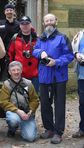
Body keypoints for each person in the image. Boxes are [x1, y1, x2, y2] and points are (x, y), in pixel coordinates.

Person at [32, 13, 74, 144]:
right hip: (44, 76)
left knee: (59, 105)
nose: (49, 22)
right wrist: (40, 53)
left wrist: (56, 61)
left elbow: (69, 56)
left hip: (59, 76)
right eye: (46, 21)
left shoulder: (63, 37)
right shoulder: (41, 38)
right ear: (44, 23)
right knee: (45, 104)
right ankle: (49, 129)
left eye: (51, 20)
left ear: (55, 21)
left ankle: (58, 132)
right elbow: (34, 50)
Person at [0, 61, 39, 142]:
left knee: (30, 138)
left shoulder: (28, 83)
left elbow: (35, 99)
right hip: (13, 112)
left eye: (18, 70)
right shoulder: (6, 85)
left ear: (21, 70)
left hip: (27, 113)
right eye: (13, 70)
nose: (16, 72)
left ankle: (24, 126)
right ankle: (12, 128)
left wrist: (31, 111)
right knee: (14, 120)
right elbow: (3, 102)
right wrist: (18, 111)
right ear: (9, 72)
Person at [8, 16, 39, 93]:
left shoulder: (37, 39)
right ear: (20, 25)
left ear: (31, 25)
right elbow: (10, 54)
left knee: (33, 97)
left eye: (27, 24)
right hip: (19, 73)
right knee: (20, 97)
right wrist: (11, 70)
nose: (25, 26)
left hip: (34, 73)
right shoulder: (15, 38)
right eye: (22, 24)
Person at [0, 3, 20, 80]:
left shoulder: (18, 25)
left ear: (14, 11)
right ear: (4, 12)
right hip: (0, 53)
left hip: (14, 54)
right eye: (7, 10)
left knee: (13, 72)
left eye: (11, 10)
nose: (9, 11)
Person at [72, 30, 84, 138]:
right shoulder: (79, 34)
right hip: (82, 75)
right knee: (82, 103)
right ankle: (82, 128)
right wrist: (76, 55)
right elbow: (73, 49)